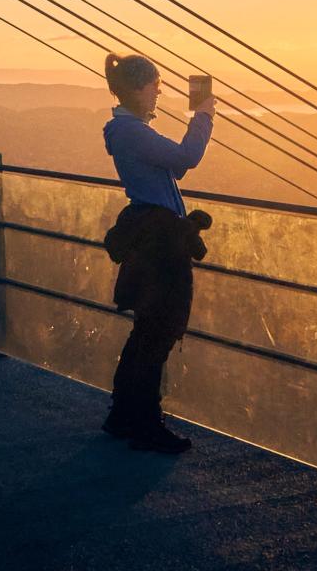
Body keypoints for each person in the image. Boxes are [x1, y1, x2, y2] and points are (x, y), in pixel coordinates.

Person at [99, 53, 215, 454]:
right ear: (136, 88)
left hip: (153, 235)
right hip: (161, 243)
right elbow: (188, 159)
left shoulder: (130, 131)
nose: (160, 91)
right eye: (154, 85)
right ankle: (145, 423)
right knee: (158, 332)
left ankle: (124, 415)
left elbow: (175, 168)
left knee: (147, 332)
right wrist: (203, 117)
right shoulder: (131, 131)